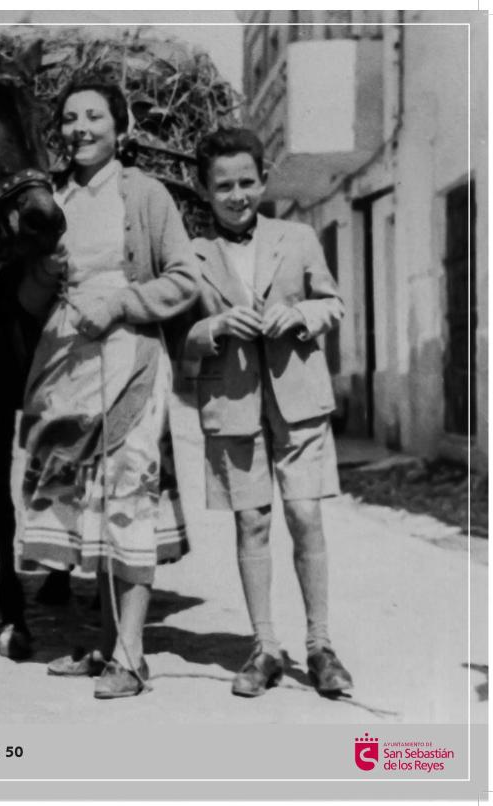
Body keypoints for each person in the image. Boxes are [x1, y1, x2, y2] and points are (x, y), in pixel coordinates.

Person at [17, 79, 199, 699]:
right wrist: (42, 275)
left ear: (120, 127)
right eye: (69, 118)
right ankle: (101, 644)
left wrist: (122, 304)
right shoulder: (53, 198)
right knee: (87, 507)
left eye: (95, 116)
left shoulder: (145, 195)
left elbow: (185, 279)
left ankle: (132, 654)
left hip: (129, 362)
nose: (80, 128)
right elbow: (28, 300)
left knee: (127, 498)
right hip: (66, 368)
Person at [182, 127, 353, 697]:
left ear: (263, 180)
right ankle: (265, 647)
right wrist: (215, 327)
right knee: (251, 521)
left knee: (305, 515)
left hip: (299, 402)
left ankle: (321, 646)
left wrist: (299, 313)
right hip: (231, 406)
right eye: (223, 186)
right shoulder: (191, 254)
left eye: (246, 183)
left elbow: (334, 303)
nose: (237, 196)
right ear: (205, 191)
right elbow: (178, 334)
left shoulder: (297, 237)